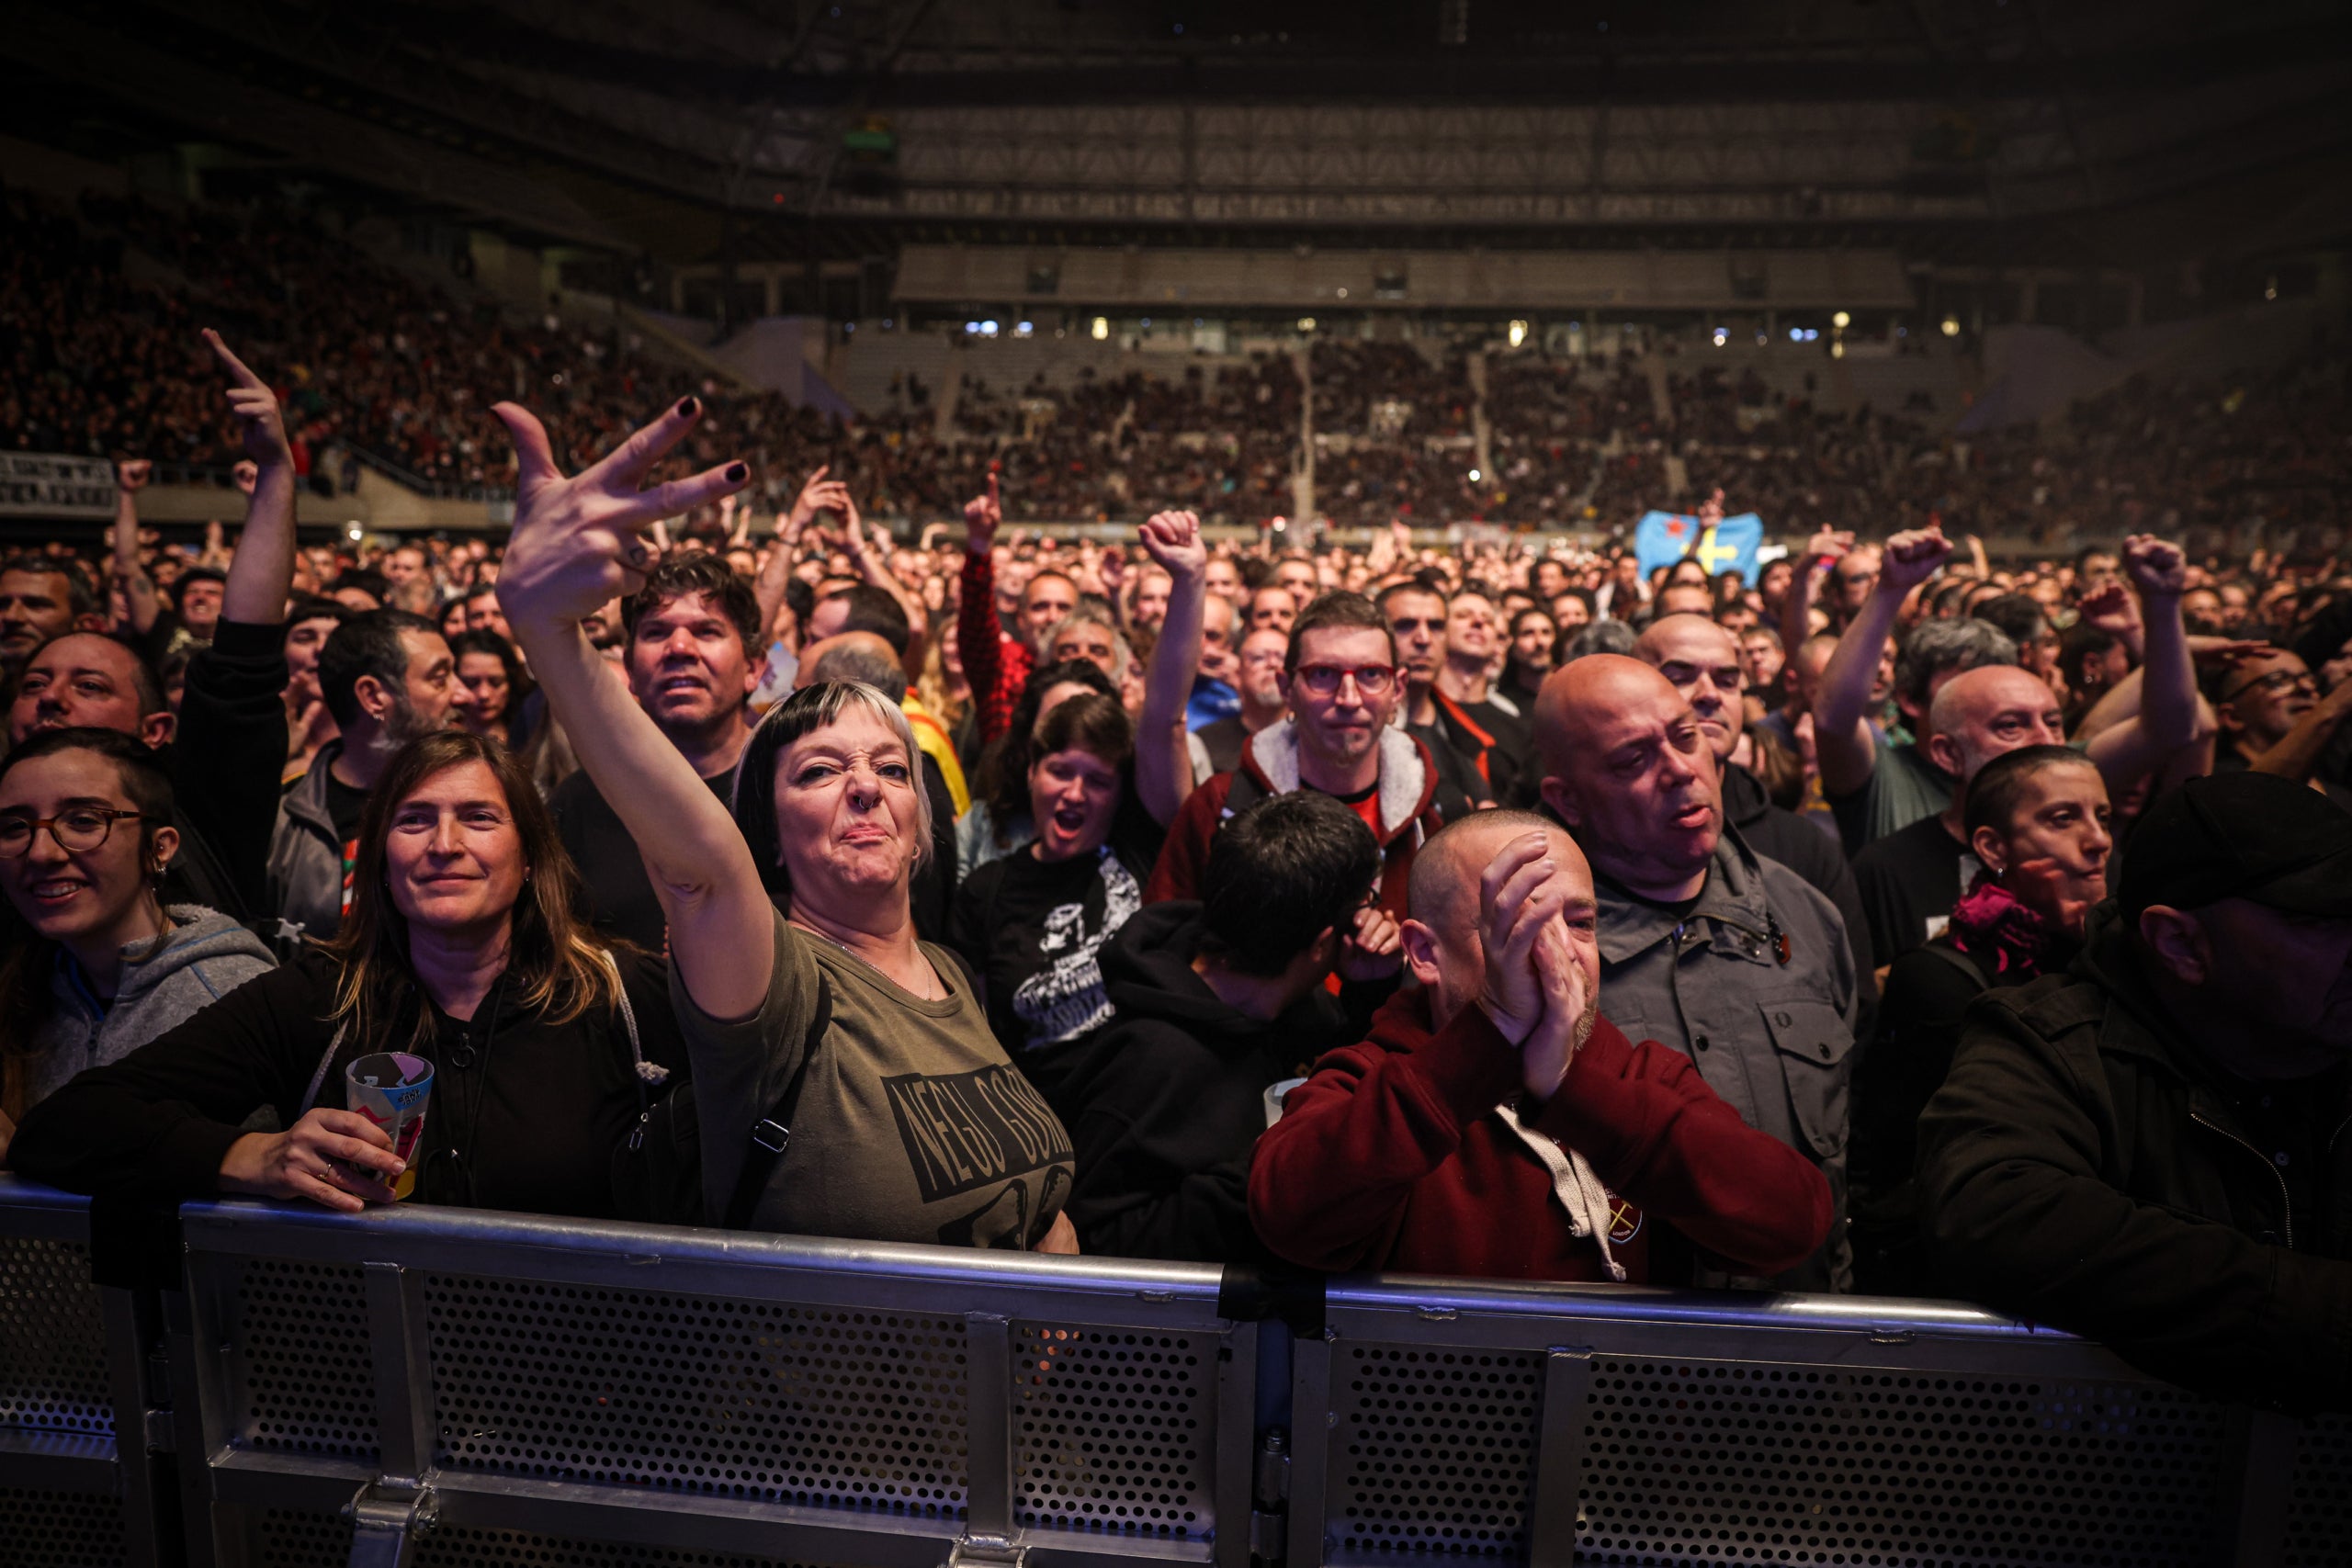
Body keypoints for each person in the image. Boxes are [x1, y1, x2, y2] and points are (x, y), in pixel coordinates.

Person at [491, 395, 1076, 1251]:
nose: (866, 787)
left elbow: (1036, 1197)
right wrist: (546, 627)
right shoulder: (773, 981)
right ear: (766, 828)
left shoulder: (951, 973)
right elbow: (700, 867)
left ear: (923, 825)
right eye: (820, 771)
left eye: (891, 769)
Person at [8, 730, 684, 1220]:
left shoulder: (622, 994)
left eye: (478, 818)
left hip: (584, 1361)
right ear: (381, 859)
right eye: (414, 820)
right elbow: (66, 1127)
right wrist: (250, 1156)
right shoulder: (318, 996)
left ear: (530, 856)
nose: (444, 845)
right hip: (376, 1361)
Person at [1915, 772, 2352, 1410]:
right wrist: (2326, 1311)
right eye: (2321, 921)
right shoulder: (2052, 1043)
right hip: (2105, 1460)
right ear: (2180, 943)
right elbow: (1994, 1212)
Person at [1248, 813, 1832, 1282]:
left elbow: (1793, 1225)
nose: (1561, 952)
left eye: (1580, 923)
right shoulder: (1367, 1078)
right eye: (1514, 928)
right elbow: (1289, 1218)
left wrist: (1572, 1091)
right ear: (1425, 954)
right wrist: (1491, 1033)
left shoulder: (1644, 1076)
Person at [1533, 656, 1861, 1291]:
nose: (1681, 769)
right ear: (1567, 798)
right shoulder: (1529, 945)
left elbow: (1854, 1144)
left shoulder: (1803, 914)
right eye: (1633, 760)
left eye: (1686, 738)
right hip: (1619, 1338)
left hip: (1803, 1326)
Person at [9, 332, 301, 931]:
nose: (50, 698)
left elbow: (243, 662)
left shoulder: (198, 807)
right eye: (33, 683)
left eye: (89, 685)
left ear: (156, 730)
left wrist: (277, 472)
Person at [1056, 791, 1397, 1262]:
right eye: (1366, 902)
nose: (1374, 916)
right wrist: (1267, 1177)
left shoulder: (1301, 1010)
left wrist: (1370, 991)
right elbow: (1089, 1240)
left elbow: (1361, 1098)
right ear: (1323, 943)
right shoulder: (1152, 1060)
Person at [1853, 537, 2199, 967]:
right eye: (2011, 726)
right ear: (1948, 753)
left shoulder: (2092, 855)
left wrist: (2161, 606)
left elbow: (2173, 727)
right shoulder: (1888, 869)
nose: (2045, 741)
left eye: (2053, 722)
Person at [1849, 746, 2112, 1294]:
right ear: (1994, 847)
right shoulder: (1940, 975)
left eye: (2103, 817)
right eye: (2063, 819)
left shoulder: (2110, 951)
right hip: (1968, 1268)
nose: (2098, 840)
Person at [0, 729, 275, 1157]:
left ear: (159, 847)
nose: (41, 853)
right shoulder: (25, 985)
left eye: (83, 821)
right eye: (15, 827)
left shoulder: (226, 993)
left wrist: (23, 1156)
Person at [1149, 592, 1479, 915]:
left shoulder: (1439, 814)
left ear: (1398, 689)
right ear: (1286, 688)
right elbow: (1160, 938)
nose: (1349, 699)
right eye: (1323, 674)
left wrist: (1408, 949)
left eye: (1371, 675)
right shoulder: (1220, 807)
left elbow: (1468, 940)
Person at [1633, 614, 1876, 1021]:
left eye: (1728, 681)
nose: (1710, 695)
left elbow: (1856, 1004)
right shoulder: (1587, 837)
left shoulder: (1802, 847)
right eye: (1680, 677)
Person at [945, 693, 1165, 1089]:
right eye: (1060, 772)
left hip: (1141, 1096)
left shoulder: (1139, 852)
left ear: (1119, 793)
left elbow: (1168, 715)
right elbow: (971, 1037)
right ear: (1032, 772)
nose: (1075, 793)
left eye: (1097, 781)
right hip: (1040, 1110)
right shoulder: (985, 891)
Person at [549, 556, 762, 954]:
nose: (679, 648)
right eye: (656, 632)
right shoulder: (579, 803)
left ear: (754, 667)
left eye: (707, 631)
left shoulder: (791, 791)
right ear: (630, 667)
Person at [267, 609, 459, 948]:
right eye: (439, 678)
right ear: (373, 697)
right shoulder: (283, 821)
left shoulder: (483, 803)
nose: (462, 694)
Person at [1193, 626, 1287, 777]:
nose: (1272, 664)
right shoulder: (1206, 741)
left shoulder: (1311, 739)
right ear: (1238, 673)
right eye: (1259, 658)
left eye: (1283, 658)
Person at [449, 629, 533, 750]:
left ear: (510, 681)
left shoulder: (532, 732)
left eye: (495, 683)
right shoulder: (442, 739)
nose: (484, 694)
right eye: (471, 683)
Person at [1499, 606, 1558, 712]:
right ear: (1512, 642)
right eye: (1528, 633)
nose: (1539, 642)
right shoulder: (1502, 705)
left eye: (1546, 632)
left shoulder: (1571, 694)